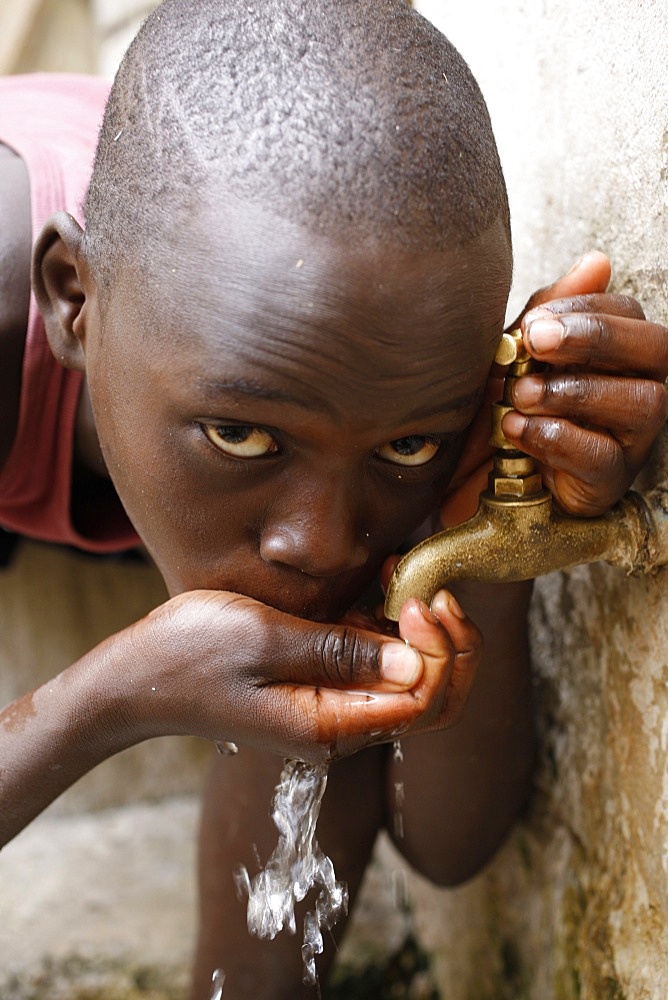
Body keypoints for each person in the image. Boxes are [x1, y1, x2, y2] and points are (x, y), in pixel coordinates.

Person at [0, 1, 666, 997]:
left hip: (134, 396)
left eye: (406, 444)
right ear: (73, 298)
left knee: (309, 672)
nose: (318, 539)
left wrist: (488, 532)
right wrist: (106, 700)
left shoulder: (375, 360)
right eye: (241, 435)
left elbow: (447, 845)